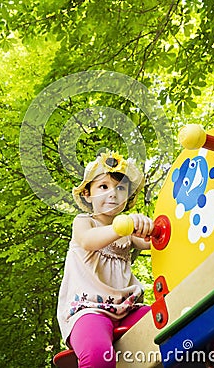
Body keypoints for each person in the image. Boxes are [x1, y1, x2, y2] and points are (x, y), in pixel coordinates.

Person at [57, 150, 154, 367]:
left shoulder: (127, 231)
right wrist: (122, 228)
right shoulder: (84, 222)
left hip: (127, 309)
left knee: (163, 326)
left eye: (120, 188)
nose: (112, 194)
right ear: (87, 195)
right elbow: (88, 240)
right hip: (88, 310)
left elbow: (150, 242)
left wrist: (149, 227)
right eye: (103, 187)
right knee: (98, 353)